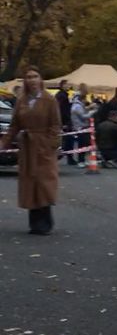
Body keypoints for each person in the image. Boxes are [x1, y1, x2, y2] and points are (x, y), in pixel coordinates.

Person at [0, 68, 60, 234]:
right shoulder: (22, 100)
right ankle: (34, 222)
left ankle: (45, 222)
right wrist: (3, 143)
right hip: (27, 146)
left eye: (35, 76)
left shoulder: (49, 100)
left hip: (43, 146)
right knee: (30, 182)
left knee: (44, 182)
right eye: (28, 77)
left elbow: (55, 125)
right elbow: (14, 126)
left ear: (40, 79)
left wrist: (51, 145)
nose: (32, 80)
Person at [70, 83, 94, 168]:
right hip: (80, 127)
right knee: (82, 144)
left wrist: (88, 109)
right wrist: (92, 112)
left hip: (82, 126)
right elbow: (83, 116)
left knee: (85, 144)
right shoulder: (77, 106)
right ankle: (80, 161)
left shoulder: (78, 105)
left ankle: (83, 160)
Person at [55, 80, 76, 167]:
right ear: (62, 85)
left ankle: (68, 156)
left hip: (65, 120)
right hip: (65, 121)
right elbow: (62, 110)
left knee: (67, 140)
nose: (68, 86)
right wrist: (64, 122)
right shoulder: (62, 96)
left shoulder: (62, 95)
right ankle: (68, 157)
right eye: (67, 85)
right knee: (68, 140)